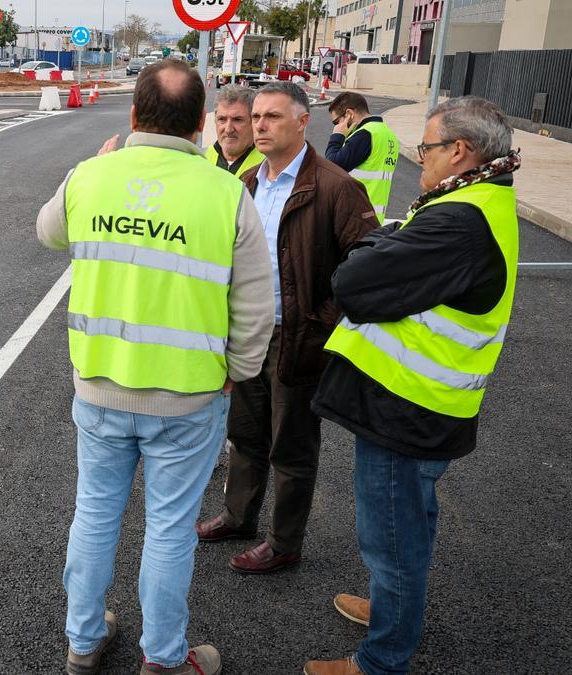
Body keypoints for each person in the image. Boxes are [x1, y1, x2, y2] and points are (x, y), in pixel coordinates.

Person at [36, 58, 275, 675]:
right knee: (168, 531)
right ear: (201, 123)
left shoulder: (90, 177)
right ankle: (165, 659)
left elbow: (47, 232)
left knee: (94, 513)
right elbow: (256, 306)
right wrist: (238, 371)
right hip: (189, 399)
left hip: (100, 386)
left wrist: (94, 166)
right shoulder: (227, 194)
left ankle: (84, 641)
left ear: (135, 115)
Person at [304, 97, 522, 675]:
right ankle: (390, 611)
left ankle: (382, 659)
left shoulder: (457, 220)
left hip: (408, 408)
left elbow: (352, 281)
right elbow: (389, 249)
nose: (417, 159)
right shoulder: (478, 200)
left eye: (426, 148)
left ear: (460, 151)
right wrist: (391, 238)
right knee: (408, 525)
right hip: (421, 405)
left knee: (393, 538)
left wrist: (383, 242)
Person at [195, 82, 379, 574]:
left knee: (292, 447)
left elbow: (368, 265)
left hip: (299, 338)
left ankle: (284, 542)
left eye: (272, 117)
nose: (258, 126)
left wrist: (323, 322)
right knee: (246, 434)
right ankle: (238, 516)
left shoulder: (336, 187)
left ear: (303, 122)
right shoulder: (248, 182)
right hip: (251, 333)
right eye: (255, 117)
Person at [326, 92, 400, 223]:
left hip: (356, 216)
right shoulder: (388, 134)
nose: (336, 126)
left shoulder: (364, 134)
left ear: (349, 114)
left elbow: (332, 166)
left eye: (337, 122)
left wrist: (337, 136)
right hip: (374, 217)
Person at [205, 85, 265, 176]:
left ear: (253, 122)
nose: (228, 129)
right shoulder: (203, 158)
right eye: (222, 119)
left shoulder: (267, 167)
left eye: (237, 120)